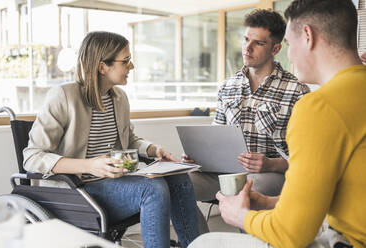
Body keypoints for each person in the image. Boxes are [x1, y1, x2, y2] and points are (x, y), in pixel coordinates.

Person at [189, 0, 366, 247]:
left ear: (308, 36)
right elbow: (340, 190)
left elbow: (291, 235)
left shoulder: (318, 106)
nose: (291, 54)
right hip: (338, 223)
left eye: (290, 45)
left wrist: (242, 217)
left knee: (204, 244)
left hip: (346, 240)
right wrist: (269, 203)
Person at [23, 31, 199, 248]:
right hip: (78, 189)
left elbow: (129, 140)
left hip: (114, 183)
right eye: (125, 61)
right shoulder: (63, 96)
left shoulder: (118, 98)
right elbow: (32, 157)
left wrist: (153, 150)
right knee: (152, 189)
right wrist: (90, 165)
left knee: (178, 177)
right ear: (102, 67)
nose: (131, 66)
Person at [186, 9, 310, 233]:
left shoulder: (297, 91)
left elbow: (308, 159)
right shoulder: (227, 86)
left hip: (270, 175)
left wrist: (270, 164)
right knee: (177, 184)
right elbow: (217, 135)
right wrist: (200, 155)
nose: (247, 47)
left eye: (258, 43)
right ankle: (197, 241)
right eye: (245, 39)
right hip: (223, 173)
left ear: (275, 49)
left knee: (248, 190)